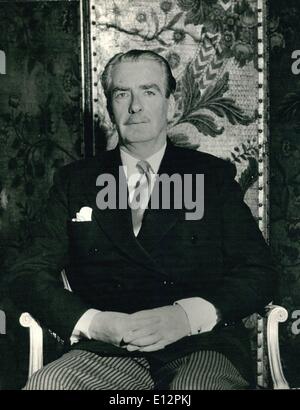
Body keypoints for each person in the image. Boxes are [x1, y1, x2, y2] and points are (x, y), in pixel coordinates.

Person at [7, 50, 276, 390]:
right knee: (50, 384)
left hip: (200, 346)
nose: (135, 106)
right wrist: (95, 322)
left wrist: (187, 317)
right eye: (122, 94)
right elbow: (28, 271)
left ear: (171, 105)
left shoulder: (211, 177)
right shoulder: (75, 181)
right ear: (109, 107)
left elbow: (259, 271)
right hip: (107, 350)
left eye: (148, 91)